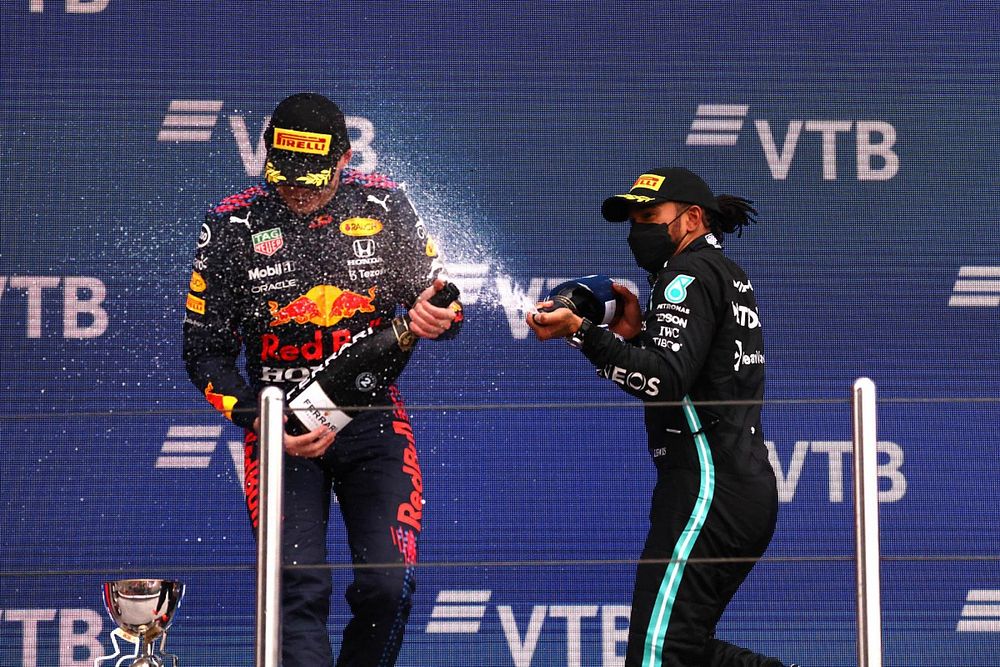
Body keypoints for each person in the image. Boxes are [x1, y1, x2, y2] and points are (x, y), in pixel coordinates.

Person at [182, 92, 461, 667]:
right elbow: (204, 354)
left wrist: (441, 315)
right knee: (294, 589)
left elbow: (436, 302)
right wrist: (262, 421)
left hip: (371, 419)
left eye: (314, 178)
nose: (299, 191)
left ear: (342, 161)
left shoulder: (385, 206)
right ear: (267, 160)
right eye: (285, 177)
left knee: (389, 586)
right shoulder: (231, 224)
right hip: (281, 429)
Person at [527, 167, 793, 667]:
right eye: (632, 219)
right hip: (733, 485)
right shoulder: (724, 271)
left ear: (692, 218)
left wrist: (585, 332)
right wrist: (634, 337)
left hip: (707, 488)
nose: (637, 230)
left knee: (658, 654)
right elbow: (694, 373)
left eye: (650, 216)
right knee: (679, 646)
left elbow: (668, 380)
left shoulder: (686, 275)